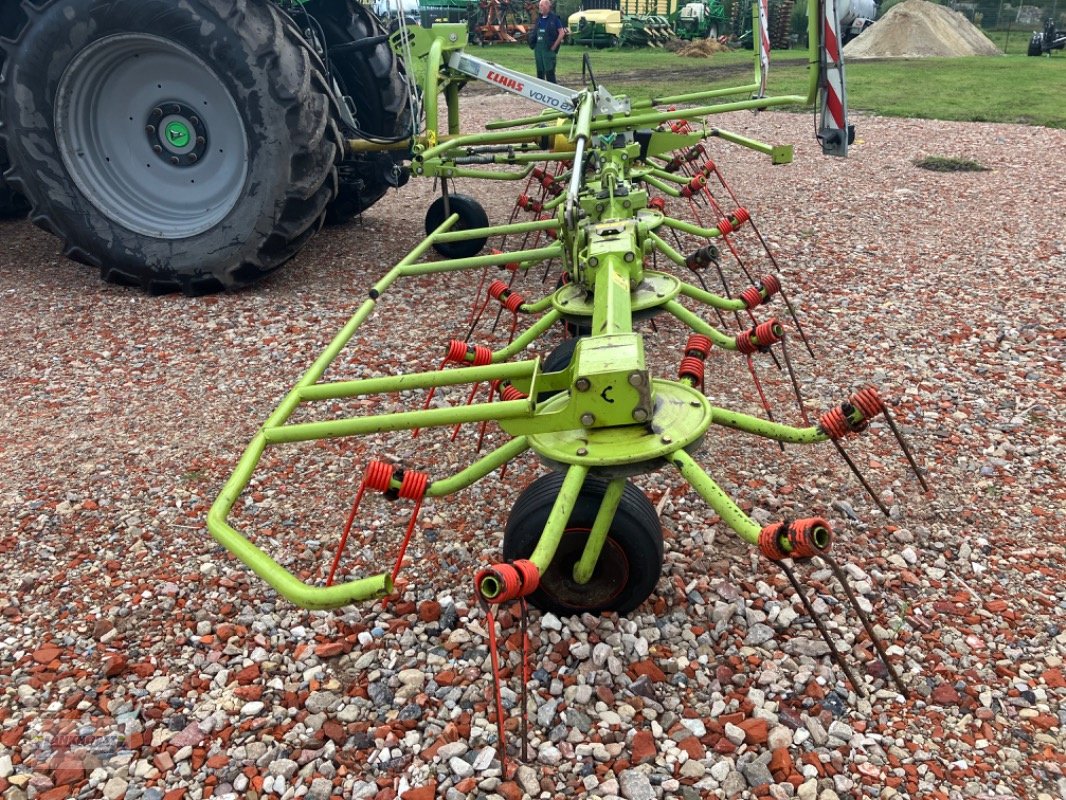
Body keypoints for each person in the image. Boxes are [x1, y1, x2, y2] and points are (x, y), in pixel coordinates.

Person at [533, 0, 566, 84]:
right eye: (539, 5)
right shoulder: (538, 19)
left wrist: (554, 46)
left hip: (548, 50)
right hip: (538, 50)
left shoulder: (554, 18)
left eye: (542, 5)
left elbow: (561, 33)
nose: (540, 7)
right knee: (540, 72)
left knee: (549, 73)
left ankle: (553, 93)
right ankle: (540, 92)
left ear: (548, 6)